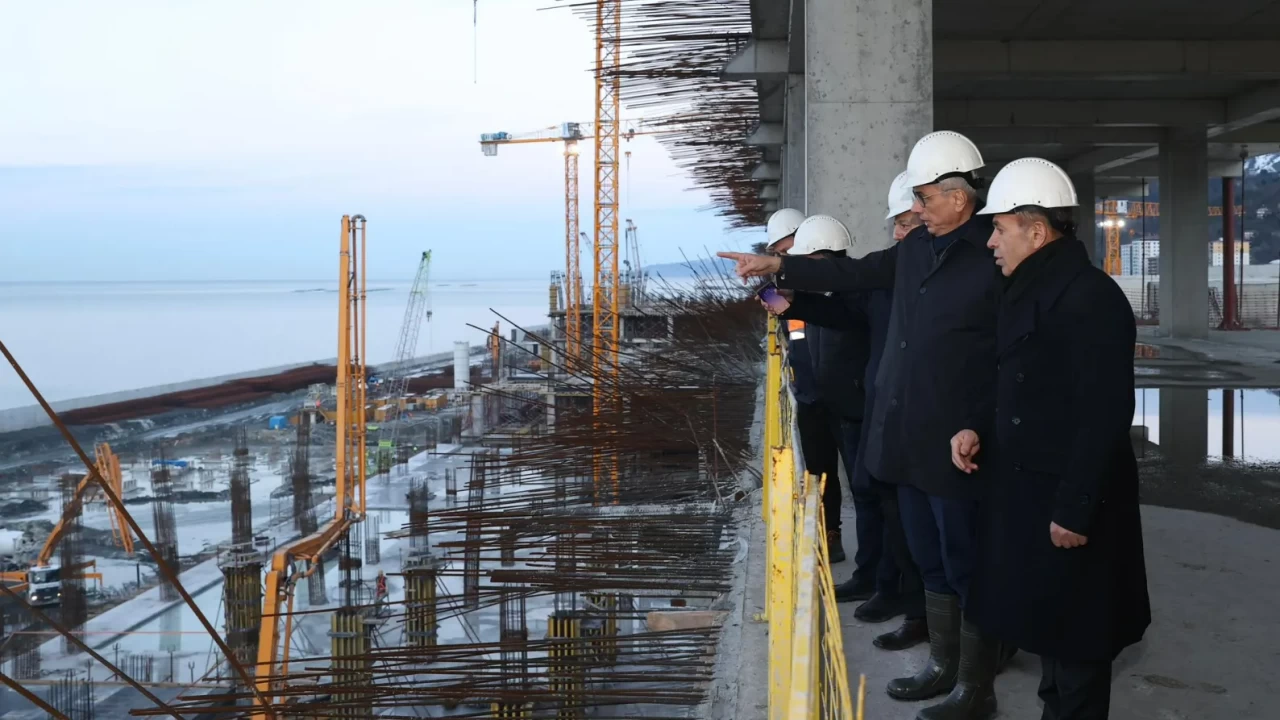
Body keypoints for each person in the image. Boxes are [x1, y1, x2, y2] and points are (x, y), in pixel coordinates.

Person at [719, 130, 1004, 715]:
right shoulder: (920, 251)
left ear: (958, 196)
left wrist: (979, 420)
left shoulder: (990, 255)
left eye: (923, 199)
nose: (915, 212)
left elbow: (1005, 354)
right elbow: (857, 276)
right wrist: (779, 266)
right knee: (930, 555)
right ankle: (944, 665)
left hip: (959, 438)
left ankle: (976, 686)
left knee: (965, 558)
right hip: (909, 431)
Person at [951, 158, 1150, 720]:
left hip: (1071, 500)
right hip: (1028, 493)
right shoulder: (1026, 289)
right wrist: (975, 425)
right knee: (1051, 633)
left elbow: (1104, 413)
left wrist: (1075, 509)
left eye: (999, 228)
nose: (990, 241)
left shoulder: (1090, 297)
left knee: (1080, 641)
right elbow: (1010, 379)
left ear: (1037, 231)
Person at [851, 171, 928, 651]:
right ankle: (913, 608)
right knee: (899, 517)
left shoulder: (947, 275)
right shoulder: (902, 277)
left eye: (904, 223)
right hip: (886, 410)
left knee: (938, 539)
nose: (897, 233)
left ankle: (938, 627)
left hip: (925, 422)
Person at [782, 215, 877, 583]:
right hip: (817, 400)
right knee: (823, 476)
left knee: (867, 491)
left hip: (852, 407)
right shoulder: (814, 299)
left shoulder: (852, 298)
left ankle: (878, 575)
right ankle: (840, 544)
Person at [767, 208, 847, 563]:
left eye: (787, 250)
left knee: (863, 479)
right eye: (780, 253)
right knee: (818, 472)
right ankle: (829, 538)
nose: (784, 259)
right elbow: (776, 308)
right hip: (810, 393)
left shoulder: (834, 283)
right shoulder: (789, 286)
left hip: (843, 391)